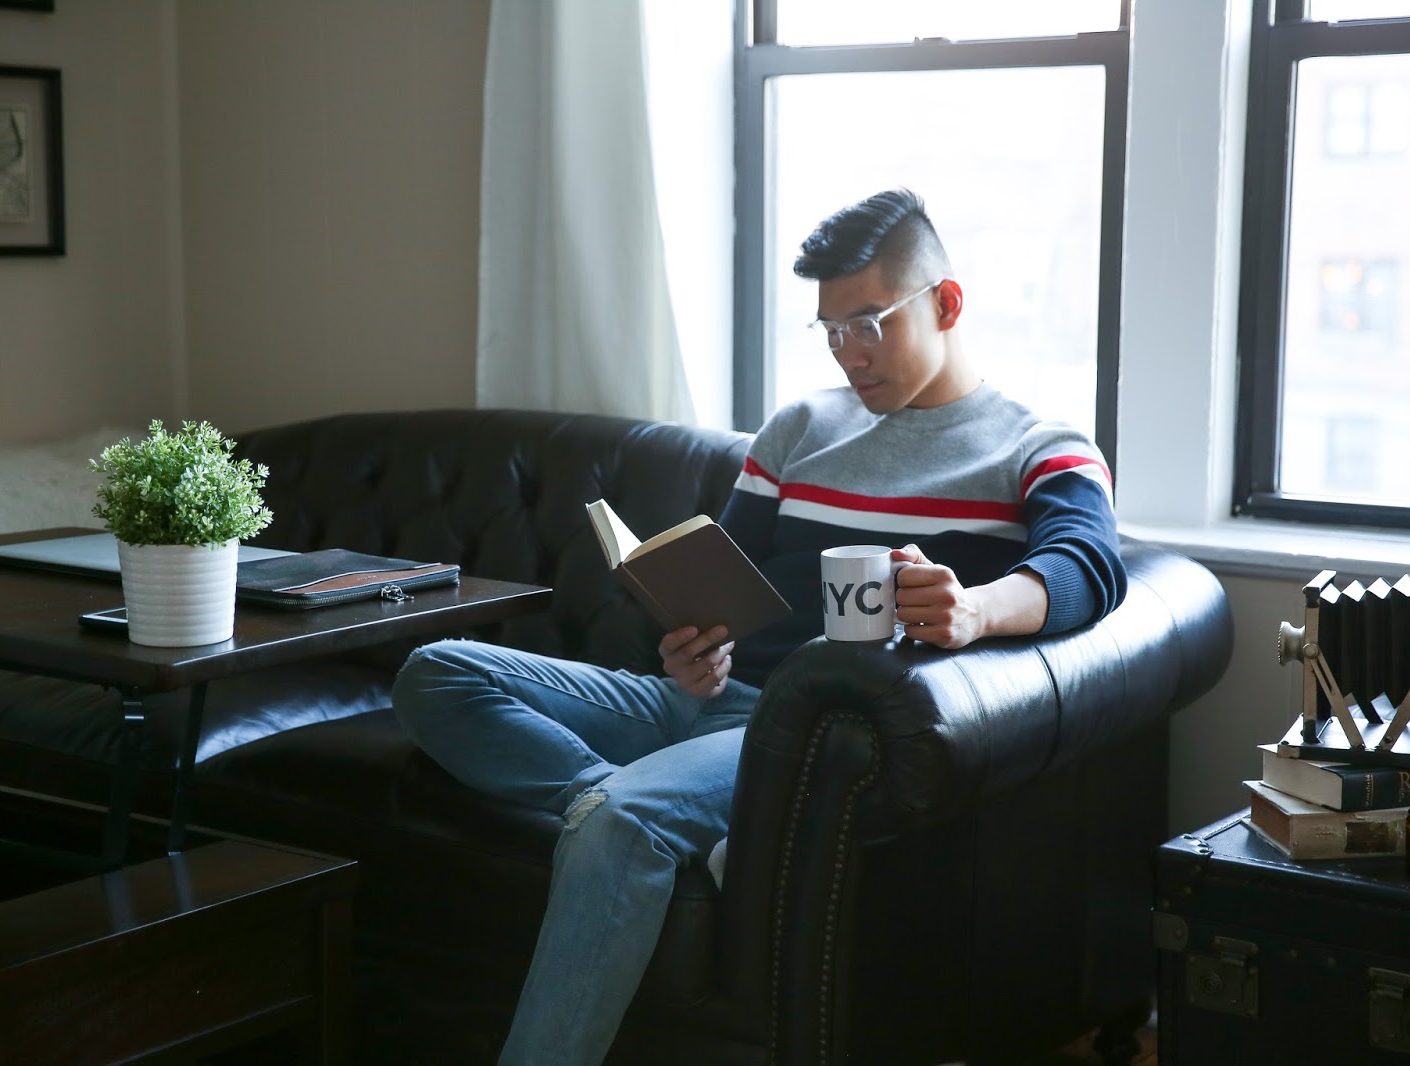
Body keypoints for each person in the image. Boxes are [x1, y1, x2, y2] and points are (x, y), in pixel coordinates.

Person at [391, 187, 1127, 1065]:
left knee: (626, 824)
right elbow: (724, 577)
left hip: (794, 733)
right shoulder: (799, 429)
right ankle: (625, 811)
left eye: (871, 323)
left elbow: (1087, 569)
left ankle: (630, 829)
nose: (850, 353)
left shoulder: (1036, 445)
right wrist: (693, 644)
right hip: (691, 706)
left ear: (947, 303)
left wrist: (974, 608)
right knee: (436, 671)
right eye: (830, 330)